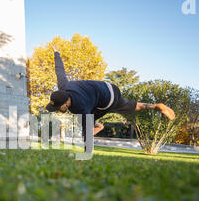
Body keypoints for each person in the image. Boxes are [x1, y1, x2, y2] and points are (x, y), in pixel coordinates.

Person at [46, 44, 175, 139]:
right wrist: (56, 53)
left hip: (106, 100)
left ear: (66, 102)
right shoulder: (63, 87)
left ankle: (98, 126)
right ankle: (155, 106)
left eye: (58, 107)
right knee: (129, 106)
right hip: (110, 88)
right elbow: (60, 71)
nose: (57, 110)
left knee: (85, 124)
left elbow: (86, 129)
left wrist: (85, 154)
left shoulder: (79, 106)